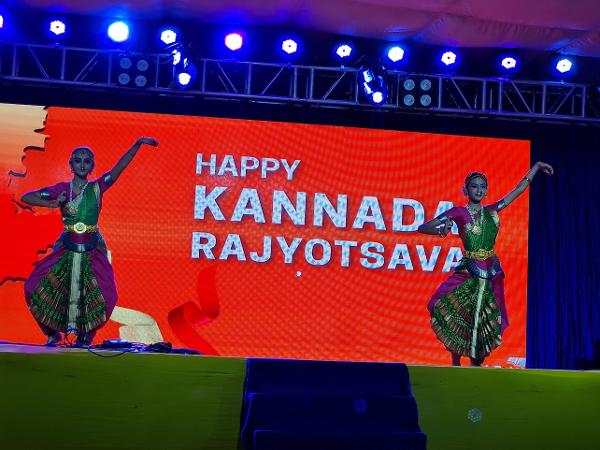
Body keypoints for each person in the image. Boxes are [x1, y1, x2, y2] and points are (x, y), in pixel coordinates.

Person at [21, 137, 159, 347]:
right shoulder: (62, 189)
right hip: (67, 247)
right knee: (33, 287)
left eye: (87, 161)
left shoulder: (97, 187)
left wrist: (137, 145)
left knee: (107, 296)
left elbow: (119, 168)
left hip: (92, 248)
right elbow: (27, 197)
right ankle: (52, 334)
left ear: (92, 166)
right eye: (78, 160)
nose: (82, 164)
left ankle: (86, 336)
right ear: (71, 164)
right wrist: (53, 203)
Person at [418, 161, 553, 366]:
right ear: (466, 190)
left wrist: (536, 167)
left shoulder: (492, 211)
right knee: (458, 311)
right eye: (474, 186)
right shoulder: (458, 213)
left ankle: (476, 362)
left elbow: (519, 190)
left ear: (487, 190)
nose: (479, 190)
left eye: (482, 186)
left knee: (483, 318)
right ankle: (455, 360)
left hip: (491, 272)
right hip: (468, 271)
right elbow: (423, 227)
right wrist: (441, 230)